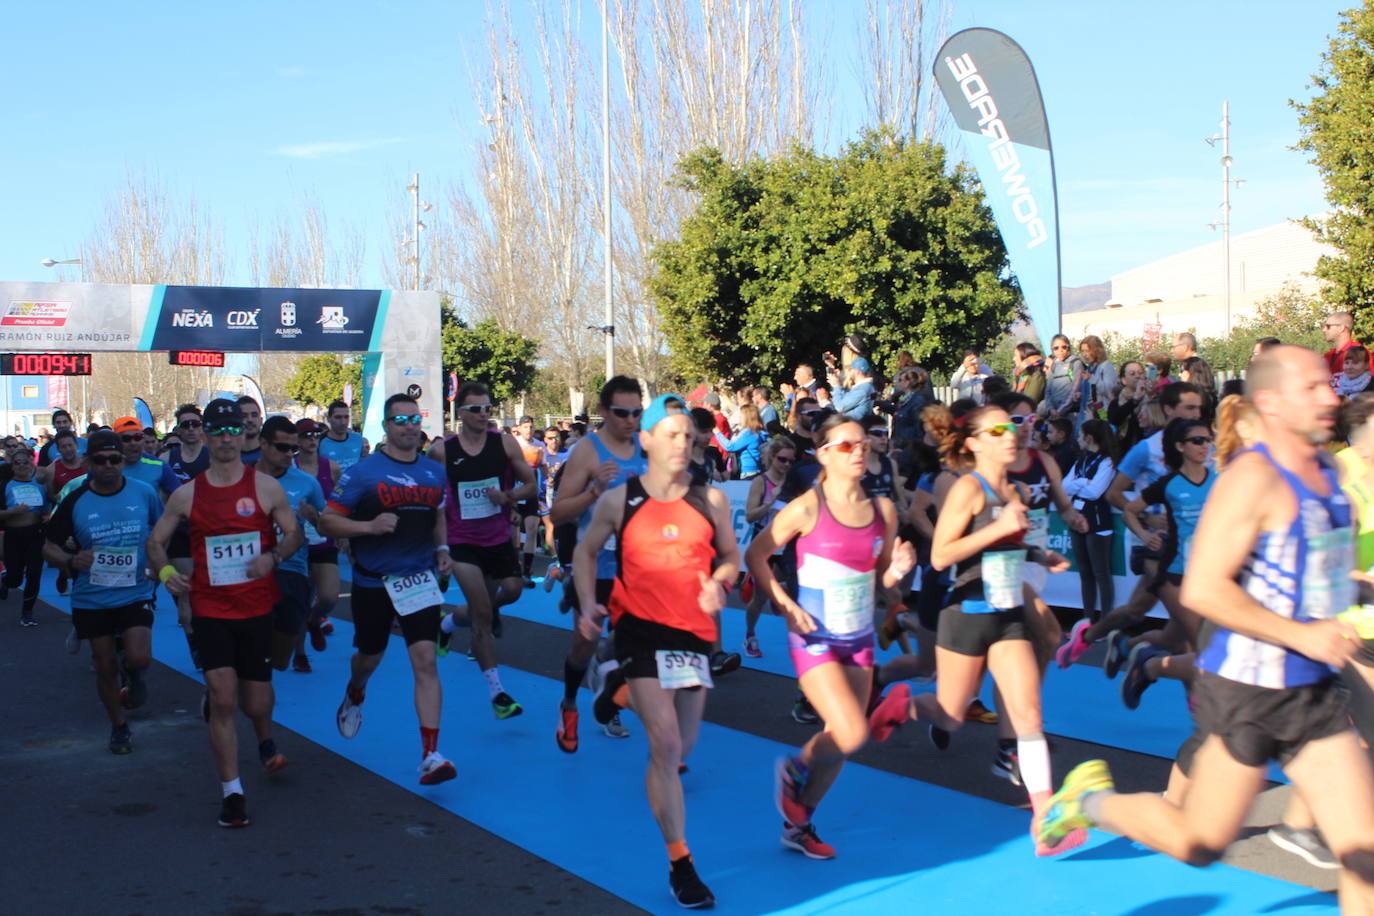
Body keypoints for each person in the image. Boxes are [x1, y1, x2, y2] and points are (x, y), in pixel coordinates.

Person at [1038, 347, 1374, 912]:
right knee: (1197, 842)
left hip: (1314, 692)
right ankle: (1092, 801)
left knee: (1364, 854)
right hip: (1249, 692)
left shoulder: (1329, 474)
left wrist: (1354, 587)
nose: (1330, 397)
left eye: (1329, 386)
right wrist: (1301, 634)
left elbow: (1309, 572)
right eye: (1312, 388)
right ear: (1269, 402)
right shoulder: (1251, 478)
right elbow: (1204, 590)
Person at [867, 402, 1078, 856]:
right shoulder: (967, 488)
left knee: (1030, 716)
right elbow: (942, 555)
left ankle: (1045, 820)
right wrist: (997, 527)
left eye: (1014, 426)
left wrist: (1043, 557)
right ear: (975, 442)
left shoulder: (1016, 492)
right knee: (950, 715)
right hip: (965, 612)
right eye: (999, 428)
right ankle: (903, 704)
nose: (1011, 434)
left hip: (1007, 617)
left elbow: (1013, 545)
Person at [576, 395, 739, 909]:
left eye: (689, 436)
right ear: (645, 440)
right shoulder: (619, 500)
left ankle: (614, 694)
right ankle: (681, 864)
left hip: (693, 636)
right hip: (639, 630)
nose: (682, 444)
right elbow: (585, 550)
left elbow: (732, 555)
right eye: (671, 434)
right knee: (666, 747)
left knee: (685, 746)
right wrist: (586, 604)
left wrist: (720, 580)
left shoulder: (708, 501)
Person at [748, 413, 915, 861]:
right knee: (851, 730)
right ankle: (794, 770)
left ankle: (798, 824)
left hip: (858, 638)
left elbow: (882, 576)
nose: (859, 451)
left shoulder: (883, 511)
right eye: (846, 445)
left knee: (840, 742)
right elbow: (757, 555)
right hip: (815, 637)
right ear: (823, 454)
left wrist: (896, 579)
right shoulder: (807, 506)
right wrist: (785, 604)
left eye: (863, 444)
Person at [146, 398, 303, 827]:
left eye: (234, 430)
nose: (227, 439)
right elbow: (156, 542)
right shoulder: (187, 494)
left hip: (256, 608)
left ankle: (263, 738)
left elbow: (294, 533)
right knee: (223, 699)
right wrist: (164, 573)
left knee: (256, 702)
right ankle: (232, 793)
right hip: (211, 609)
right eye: (218, 432)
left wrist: (272, 558)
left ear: (243, 434)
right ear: (206, 436)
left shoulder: (265, 488)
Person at [319, 394, 456, 786]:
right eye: (401, 420)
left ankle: (431, 754)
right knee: (369, 657)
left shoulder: (434, 472)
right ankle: (355, 689)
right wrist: (367, 527)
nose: (410, 426)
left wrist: (443, 548)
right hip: (373, 581)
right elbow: (329, 522)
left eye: (415, 419)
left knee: (426, 662)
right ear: (386, 426)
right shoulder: (364, 473)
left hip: (418, 578)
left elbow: (439, 515)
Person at [1056, 382, 1206, 667]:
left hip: (1190, 547)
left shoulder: (1203, 445)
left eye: (1199, 407)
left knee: (1136, 611)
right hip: (1153, 544)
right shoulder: (1145, 450)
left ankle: (1110, 642)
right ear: (1169, 409)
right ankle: (1200, 698)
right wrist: (1146, 517)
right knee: (1193, 626)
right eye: (1189, 407)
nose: (1196, 413)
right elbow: (1114, 493)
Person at [44, 429, 163, 754]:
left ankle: (134, 673)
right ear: (89, 463)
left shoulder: (143, 492)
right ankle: (118, 726)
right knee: (104, 663)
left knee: (140, 657)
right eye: (101, 460)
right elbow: (48, 546)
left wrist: (157, 563)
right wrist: (70, 559)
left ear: (122, 460)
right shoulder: (76, 499)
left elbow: (160, 531)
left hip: (135, 589)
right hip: (93, 596)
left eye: (115, 459)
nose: (109, 465)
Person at [549, 376, 648, 752]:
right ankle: (569, 703)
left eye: (636, 412)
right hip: (595, 562)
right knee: (585, 644)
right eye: (622, 413)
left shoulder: (648, 446)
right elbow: (558, 514)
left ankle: (614, 703)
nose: (630, 420)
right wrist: (593, 491)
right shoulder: (587, 452)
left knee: (631, 643)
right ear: (604, 411)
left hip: (637, 566)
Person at [431, 382, 537, 719]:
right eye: (476, 409)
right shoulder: (442, 451)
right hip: (462, 540)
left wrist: (507, 498)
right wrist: (440, 546)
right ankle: (498, 694)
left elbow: (530, 485)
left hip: (498, 538)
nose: (483, 414)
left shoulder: (504, 443)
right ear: (460, 413)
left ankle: (447, 625)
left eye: (487, 408)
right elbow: (434, 501)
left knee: (513, 590)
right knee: (481, 611)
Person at [1113, 417, 1214, 709]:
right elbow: (1130, 510)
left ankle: (1143, 660)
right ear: (1180, 447)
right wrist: (1146, 535)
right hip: (1174, 575)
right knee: (1204, 649)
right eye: (1197, 441)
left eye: (1207, 440)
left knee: (1173, 637)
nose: (1204, 446)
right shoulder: (1169, 484)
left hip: (1209, 574)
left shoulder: (1219, 481)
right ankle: (1202, 712)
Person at [254, 416, 326, 672]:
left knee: (280, 661)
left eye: (293, 449)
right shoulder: (244, 479)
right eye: (282, 448)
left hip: (292, 571)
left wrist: (315, 518)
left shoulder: (307, 483)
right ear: (263, 444)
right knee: (254, 653)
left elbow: (326, 525)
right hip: (253, 573)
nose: (289, 454)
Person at [741, 437, 795, 657]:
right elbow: (749, 515)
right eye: (782, 460)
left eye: (791, 461)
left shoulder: (793, 481)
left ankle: (777, 596)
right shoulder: (761, 482)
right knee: (760, 597)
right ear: (772, 457)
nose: (786, 465)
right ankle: (750, 635)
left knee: (797, 587)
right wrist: (770, 504)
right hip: (764, 542)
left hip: (787, 541)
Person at [293, 418, 340, 668]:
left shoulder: (331, 468)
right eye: (306, 435)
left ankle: (315, 619)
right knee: (301, 598)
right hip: (296, 544)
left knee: (330, 596)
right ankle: (300, 654)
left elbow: (339, 503)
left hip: (324, 540)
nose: (312, 439)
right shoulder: (289, 468)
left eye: (315, 435)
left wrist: (342, 533)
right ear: (297, 440)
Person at [1063, 419, 1119, 623]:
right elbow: (1064, 485)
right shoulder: (1082, 460)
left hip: (1098, 522)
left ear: (1090, 437)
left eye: (1081, 435)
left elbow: (1095, 491)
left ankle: (1104, 621)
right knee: (1085, 572)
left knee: (1101, 572)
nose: (1078, 439)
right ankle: (1087, 620)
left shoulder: (1107, 461)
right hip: (1078, 520)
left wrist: (1078, 485)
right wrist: (1082, 482)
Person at [1, 446, 50, 626]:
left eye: (26, 462)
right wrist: (13, 512)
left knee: (34, 573)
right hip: (14, 535)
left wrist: (46, 516)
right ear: (12, 466)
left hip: (35, 533)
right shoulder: (5, 485)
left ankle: (27, 612)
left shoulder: (39, 485)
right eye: (17, 463)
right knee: (15, 578)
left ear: (32, 463)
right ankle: (6, 581)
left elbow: (46, 510)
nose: (22, 466)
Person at [111, 417, 181, 499]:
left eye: (137, 437)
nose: (133, 443)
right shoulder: (105, 466)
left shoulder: (159, 466)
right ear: (116, 441)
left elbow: (181, 497)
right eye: (126, 439)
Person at [1072, 335, 1118, 429]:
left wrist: (1092, 379)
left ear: (1097, 350)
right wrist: (1081, 394)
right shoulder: (1089, 368)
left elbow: (1109, 390)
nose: (1085, 354)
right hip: (1085, 412)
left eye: (1088, 350)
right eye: (1083, 351)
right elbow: (1092, 392)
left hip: (1100, 412)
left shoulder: (1106, 367)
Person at [713, 404, 766, 479]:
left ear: (747, 417)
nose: (740, 418)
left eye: (741, 416)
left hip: (748, 472)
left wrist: (717, 432)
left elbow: (730, 447)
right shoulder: (758, 432)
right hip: (757, 470)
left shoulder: (748, 433)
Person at [319, 399, 370, 474]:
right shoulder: (320, 442)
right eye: (338, 417)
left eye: (346, 417)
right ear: (329, 419)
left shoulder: (358, 439)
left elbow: (363, 464)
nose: (343, 422)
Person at [1044, 335, 1081, 416]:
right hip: (1054, 410)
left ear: (1069, 348)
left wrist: (1060, 411)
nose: (1060, 350)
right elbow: (1048, 391)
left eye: (1064, 347)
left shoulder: (1075, 363)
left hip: (1070, 411)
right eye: (1056, 348)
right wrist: (1050, 409)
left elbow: (1075, 389)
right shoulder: (1053, 365)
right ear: (1052, 350)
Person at [1323, 310, 1362, 384]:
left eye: (1328, 326)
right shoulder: (1328, 356)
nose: (1324, 330)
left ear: (1341, 328)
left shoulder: (1359, 353)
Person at [235, 397, 263, 465]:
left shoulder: (271, 453)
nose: (250, 420)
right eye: (244, 416)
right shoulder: (228, 455)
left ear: (261, 420)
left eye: (254, 415)